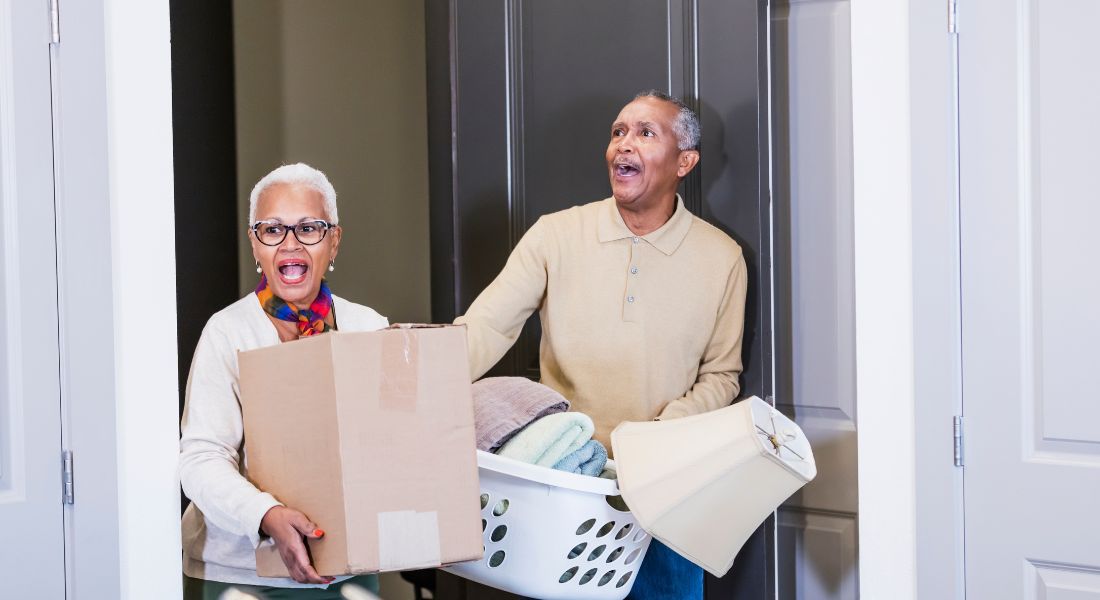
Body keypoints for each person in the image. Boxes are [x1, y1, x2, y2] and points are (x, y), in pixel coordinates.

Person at [455, 91, 748, 600]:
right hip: (564, 487)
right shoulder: (555, 235)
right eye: (617, 132)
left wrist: (659, 437)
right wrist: (417, 385)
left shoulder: (722, 258)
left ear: (686, 162)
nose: (623, 145)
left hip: (665, 495)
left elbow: (722, 374)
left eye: (644, 133)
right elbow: (485, 328)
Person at [180, 163, 387, 600]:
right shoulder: (227, 332)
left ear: (334, 241)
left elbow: (393, 446)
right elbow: (201, 458)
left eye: (309, 228)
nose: (290, 244)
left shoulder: (368, 328)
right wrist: (267, 513)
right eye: (272, 230)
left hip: (347, 570)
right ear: (255, 245)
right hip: (239, 574)